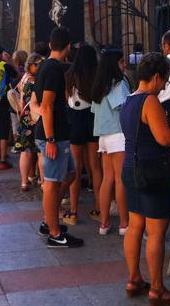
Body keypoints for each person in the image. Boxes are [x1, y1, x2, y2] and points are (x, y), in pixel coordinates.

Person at [120, 52, 170, 305]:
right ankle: (157, 289)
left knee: (135, 226)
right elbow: (164, 138)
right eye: (165, 80)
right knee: (156, 233)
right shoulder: (150, 102)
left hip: (131, 168)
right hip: (153, 171)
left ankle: (134, 279)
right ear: (155, 77)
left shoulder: (128, 101)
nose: (165, 85)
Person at [32, 27, 83, 248]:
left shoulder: (45, 65)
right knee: (51, 184)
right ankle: (54, 232)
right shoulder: (52, 69)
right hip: (53, 136)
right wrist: (51, 139)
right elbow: (47, 106)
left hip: (58, 134)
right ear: (68, 46)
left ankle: (48, 218)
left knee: (71, 174)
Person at [91, 47, 131, 236]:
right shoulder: (118, 83)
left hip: (103, 136)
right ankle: (124, 223)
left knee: (107, 179)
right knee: (120, 179)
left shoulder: (100, 84)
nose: (125, 65)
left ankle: (104, 223)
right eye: (122, 61)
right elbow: (124, 108)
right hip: (118, 134)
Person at [62, 43, 102, 225]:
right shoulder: (98, 75)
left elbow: (66, 99)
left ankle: (73, 212)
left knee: (76, 168)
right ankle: (99, 209)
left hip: (74, 122)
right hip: (93, 121)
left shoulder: (69, 75)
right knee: (95, 167)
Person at [16, 53, 44, 191]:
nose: (41, 67)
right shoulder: (37, 81)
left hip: (25, 118)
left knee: (25, 150)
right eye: (38, 64)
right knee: (40, 151)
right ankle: (43, 181)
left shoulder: (24, 78)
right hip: (37, 118)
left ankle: (24, 181)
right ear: (31, 65)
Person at [11, 49, 29, 153]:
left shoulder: (15, 71)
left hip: (15, 101)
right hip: (25, 102)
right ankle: (25, 141)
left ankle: (17, 144)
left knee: (15, 123)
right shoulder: (27, 70)